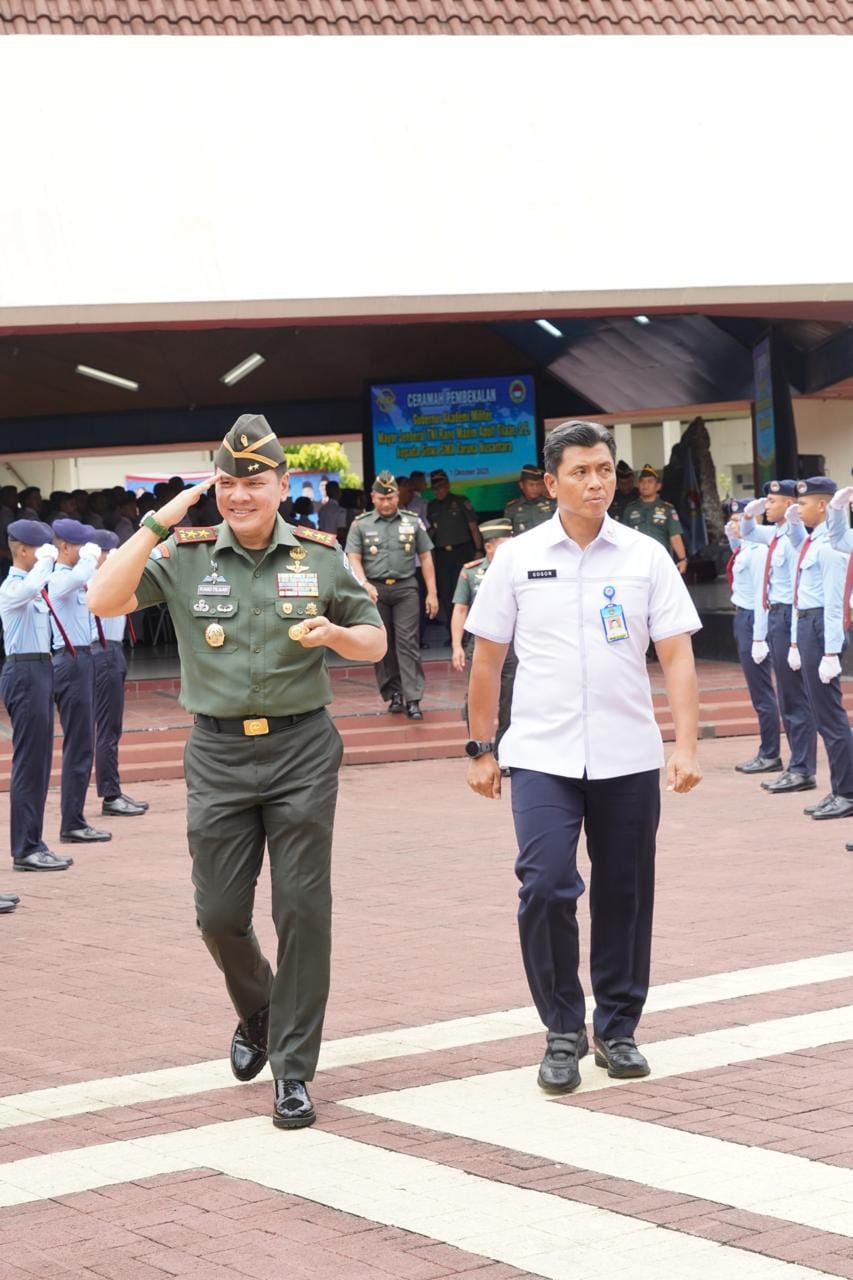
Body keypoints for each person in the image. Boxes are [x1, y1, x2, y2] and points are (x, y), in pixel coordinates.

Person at [87, 412, 385, 1131]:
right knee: (218, 914)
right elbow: (102, 599)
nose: (239, 495)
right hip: (217, 753)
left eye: (253, 482)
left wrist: (337, 634)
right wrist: (157, 522)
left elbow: (373, 641)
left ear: (282, 485)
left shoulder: (320, 556)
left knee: (302, 909)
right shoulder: (184, 554)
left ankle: (293, 1069)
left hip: (301, 750)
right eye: (226, 484)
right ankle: (260, 1009)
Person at [464, 420, 701, 1093]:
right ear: (550, 481)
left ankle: (618, 1028)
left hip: (628, 753)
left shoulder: (644, 556)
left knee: (625, 891)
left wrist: (684, 745)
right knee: (544, 885)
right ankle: (562, 1030)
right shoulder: (516, 558)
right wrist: (481, 748)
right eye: (580, 472)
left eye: (603, 470)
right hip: (542, 752)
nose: (595, 483)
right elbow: (487, 659)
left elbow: (676, 655)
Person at [0, 520, 73, 873]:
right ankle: (25, 848)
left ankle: (34, 842)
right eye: (41, 547)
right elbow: (31, 587)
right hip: (24, 672)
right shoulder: (13, 587)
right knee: (29, 764)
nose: (49, 552)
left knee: (40, 763)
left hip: (41, 670)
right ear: (23, 550)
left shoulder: (34, 584)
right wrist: (47, 562)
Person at [739, 481, 817, 794]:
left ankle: (802, 769)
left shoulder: (795, 539)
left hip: (788, 617)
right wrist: (748, 515)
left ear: (788, 505)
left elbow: (799, 592)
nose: (767, 506)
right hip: (775, 617)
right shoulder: (775, 534)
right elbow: (747, 532)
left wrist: (796, 641)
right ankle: (796, 766)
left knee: (795, 698)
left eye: (772, 501)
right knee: (787, 697)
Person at [345, 470, 438, 719]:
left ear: (398, 496)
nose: (386, 503)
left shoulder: (412, 521)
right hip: (374, 590)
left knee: (408, 642)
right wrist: (363, 583)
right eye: (381, 498)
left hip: (406, 587)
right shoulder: (361, 524)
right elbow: (353, 557)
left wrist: (432, 593)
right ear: (372, 498)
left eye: (391, 498)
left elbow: (426, 556)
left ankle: (413, 698)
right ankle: (393, 693)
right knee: (382, 643)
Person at [786, 477, 853, 821]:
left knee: (831, 716)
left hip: (821, 628)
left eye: (804, 504)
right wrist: (796, 641)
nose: (798, 509)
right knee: (822, 714)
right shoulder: (813, 540)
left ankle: (848, 791)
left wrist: (830, 652)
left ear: (823, 505)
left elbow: (835, 603)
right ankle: (839, 788)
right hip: (807, 626)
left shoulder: (830, 546)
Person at [49, 519, 113, 844]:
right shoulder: (59, 577)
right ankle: (71, 823)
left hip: (83, 659)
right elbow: (75, 580)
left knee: (83, 743)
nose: (87, 550)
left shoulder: (77, 576)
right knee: (78, 745)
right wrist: (90, 558)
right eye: (80, 545)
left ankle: (75, 819)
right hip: (70, 661)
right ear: (64, 547)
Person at [90, 529, 149, 818]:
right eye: (109, 552)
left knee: (112, 726)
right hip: (102, 653)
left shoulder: (112, 580)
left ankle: (112, 790)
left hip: (113, 651)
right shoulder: (94, 581)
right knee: (107, 728)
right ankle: (110, 795)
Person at [724, 501, 782, 775]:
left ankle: (770, 754)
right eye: (732, 520)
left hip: (752, 619)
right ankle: (767, 751)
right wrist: (732, 535)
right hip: (742, 617)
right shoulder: (746, 547)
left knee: (762, 691)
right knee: (757, 689)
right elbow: (736, 553)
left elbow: (761, 597)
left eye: (739, 520)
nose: (734, 525)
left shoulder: (758, 551)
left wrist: (759, 637)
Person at [451, 517, 516, 760]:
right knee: (476, 696)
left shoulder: (519, 569)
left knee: (511, 699)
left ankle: (504, 752)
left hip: (513, 645)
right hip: (480, 644)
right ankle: (478, 748)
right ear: (489, 546)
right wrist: (456, 646)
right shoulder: (471, 572)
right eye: (504, 545)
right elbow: (460, 609)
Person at [428, 469, 483, 638]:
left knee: (464, 593)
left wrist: (478, 550)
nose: (439, 490)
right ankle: (453, 634)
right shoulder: (431, 506)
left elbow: (473, 528)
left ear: (448, 485)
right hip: (442, 555)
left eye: (441, 486)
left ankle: (468, 633)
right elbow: (431, 532)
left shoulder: (461, 501)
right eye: (435, 488)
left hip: (462, 552)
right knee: (446, 594)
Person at [620, 464, 689, 574]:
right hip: (636, 563)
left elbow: (675, 536)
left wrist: (682, 559)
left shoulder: (667, 509)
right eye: (642, 482)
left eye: (650, 481)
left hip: (660, 562)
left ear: (658, 486)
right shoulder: (630, 509)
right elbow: (623, 537)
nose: (645, 485)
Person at [503, 464, 556, 534]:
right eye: (531, 485)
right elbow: (507, 534)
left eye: (538, 484)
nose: (535, 488)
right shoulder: (512, 508)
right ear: (521, 485)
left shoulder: (553, 503)